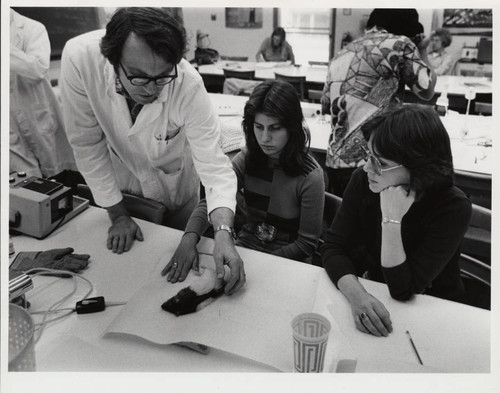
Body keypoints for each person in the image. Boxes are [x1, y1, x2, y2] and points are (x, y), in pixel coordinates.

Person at [59, 7, 244, 295]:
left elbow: (215, 167)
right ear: (113, 59)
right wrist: (118, 214)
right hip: (123, 185)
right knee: (128, 278)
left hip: (177, 188)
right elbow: (86, 143)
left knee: (171, 282)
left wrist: (223, 233)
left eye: (162, 77)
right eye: (139, 77)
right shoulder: (80, 60)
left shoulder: (188, 85)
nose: (151, 89)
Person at [320, 104, 471, 337]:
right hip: (375, 294)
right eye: (368, 155)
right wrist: (357, 296)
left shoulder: (452, 207)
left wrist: (391, 220)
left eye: (381, 163)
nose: (367, 168)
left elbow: (403, 290)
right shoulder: (364, 181)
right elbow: (333, 247)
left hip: (437, 312)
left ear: (419, 167)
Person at [162, 80, 325, 283]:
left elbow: (306, 245)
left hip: (289, 263)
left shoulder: (311, 176)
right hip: (246, 248)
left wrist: (258, 263)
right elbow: (214, 200)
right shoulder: (247, 158)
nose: (265, 138)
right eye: (259, 127)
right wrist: (189, 238)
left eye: (275, 128)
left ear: (292, 128)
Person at [321, 8, 436, 197]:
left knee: (346, 221)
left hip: (336, 161)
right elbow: (427, 90)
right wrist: (421, 48)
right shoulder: (401, 43)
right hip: (375, 164)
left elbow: (327, 106)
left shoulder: (341, 53)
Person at [10, 8, 77, 179]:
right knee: (25, 183)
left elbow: (37, 70)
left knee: (58, 177)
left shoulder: (32, 28)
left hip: (37, 116)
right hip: (9, 125)